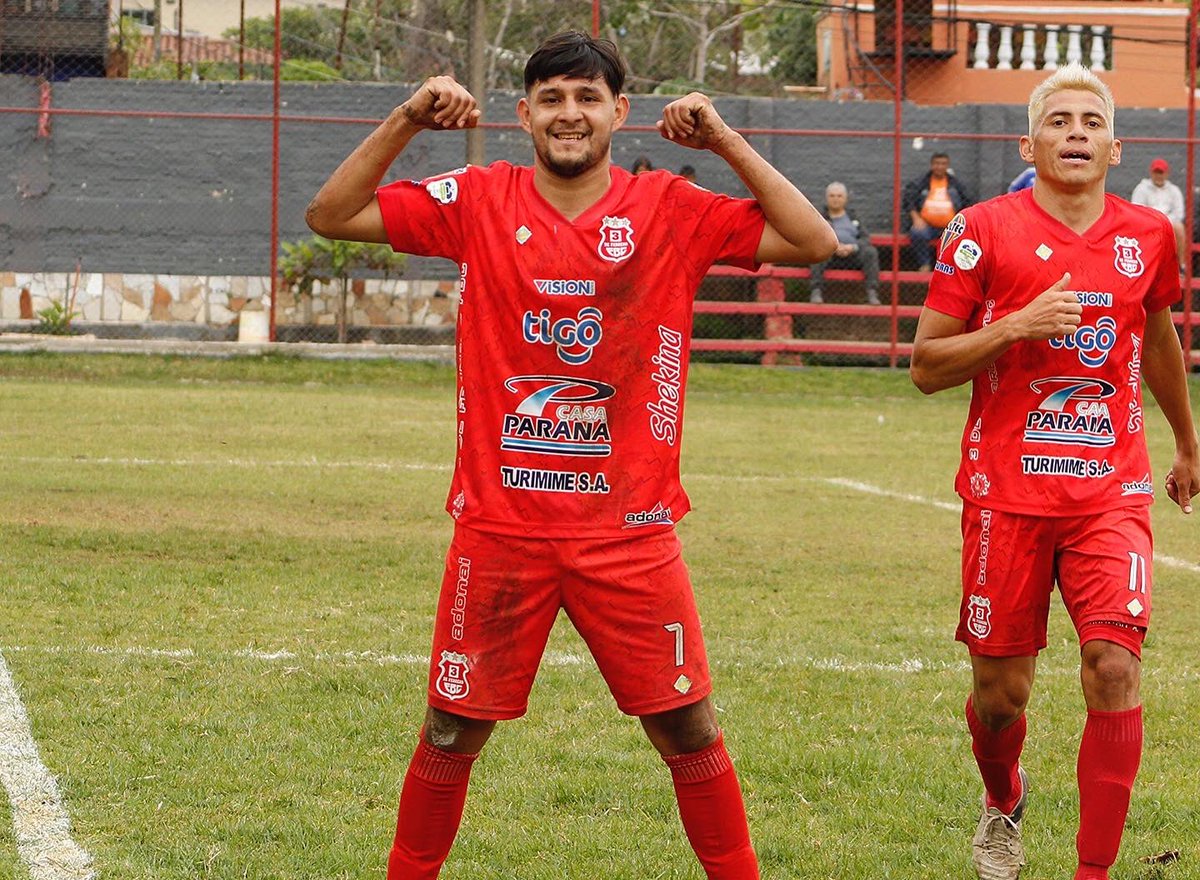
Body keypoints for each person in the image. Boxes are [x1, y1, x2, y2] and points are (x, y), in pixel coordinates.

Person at [306, 30, 836, 880]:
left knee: (689, 727)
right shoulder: (481, 196)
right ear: (523, 114)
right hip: (501, 529)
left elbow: (813, 242)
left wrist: (726, 139)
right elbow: (330, 215)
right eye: (551, 98)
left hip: (629, 533)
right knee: (449, 729)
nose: (569, 115)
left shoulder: (668, 206)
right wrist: (410, 117)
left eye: (588, 98)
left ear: (619, 113)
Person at [910, 61, 1199, 880]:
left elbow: (1160, 337)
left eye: (1091, 121)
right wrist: (1015, 326)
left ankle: (1092, 872)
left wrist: (1185, 439)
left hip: (1111, 490)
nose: (1076, 132)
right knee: (1001, 699)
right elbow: (927, 366)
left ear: (1115, 146)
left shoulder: (1149, 236)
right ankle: (1003, 799)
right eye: (1059, 120)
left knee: (1114, 663)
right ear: (1030, 142)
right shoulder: (980, 230)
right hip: (1006, 495)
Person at [808, 181, 881, 305]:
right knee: (818, 252)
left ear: (846, 198)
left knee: (870, 252)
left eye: (839, 196)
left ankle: (872, 292)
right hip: (830, 256)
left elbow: (866, 238)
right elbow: (814, 239)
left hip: (853, 256)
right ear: (827, 198)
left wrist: (853, 247)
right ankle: (816, 291)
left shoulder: (853, 217)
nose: (835, 199)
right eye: (832, 196)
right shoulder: (820, 218)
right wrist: (834, 248)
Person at [902, 151, 973, 270]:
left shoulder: (955, 184)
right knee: (917, 233)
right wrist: (916, 218)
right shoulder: (921, 182)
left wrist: (960, 222)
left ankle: (951, 267)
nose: (940, 166)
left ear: (948, 165)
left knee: (967, 237)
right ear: (932, 165)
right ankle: (924, 264)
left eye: (943, 164)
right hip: (927, 226)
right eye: (937, 163)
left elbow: (968, 202)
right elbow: (908, 201)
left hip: (951, 227)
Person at [1131, 157, 1187, 271]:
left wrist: (1164, 221)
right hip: (1148, 223)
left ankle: (1181, 266)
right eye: (1156, 172)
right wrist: (1155, 221)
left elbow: (1179, 213)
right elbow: (1136, 210)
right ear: (1151, 173)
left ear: (1167, 174)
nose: (1159, 176)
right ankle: (1145, 267)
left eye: (1161, 173)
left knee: (1180, 228)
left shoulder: (1174, 190)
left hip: (1169, 223)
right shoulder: (1141, 189)